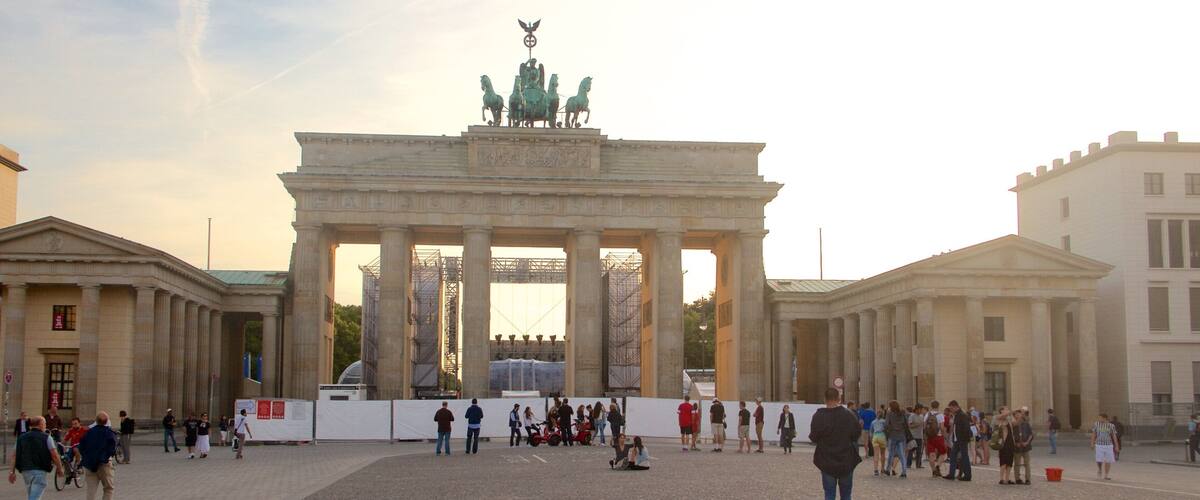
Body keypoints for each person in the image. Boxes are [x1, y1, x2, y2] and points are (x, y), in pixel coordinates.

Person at [810, 388, 861, 500]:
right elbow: (856, 435)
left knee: (829, 494)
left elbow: (813, 437)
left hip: (826, 460)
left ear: (825, 399)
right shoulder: (849, 415)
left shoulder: (818, 416)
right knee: (846, 495)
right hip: (846, 459)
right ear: (839, 399)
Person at [8, 416, 64, 500]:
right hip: (40, 470)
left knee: (32, 495)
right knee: (34, 497)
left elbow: (14, 455)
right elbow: (55, 455)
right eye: (45, 423)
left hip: (25, 470)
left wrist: (12, 472)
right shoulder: (47, 437)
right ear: (40, 424)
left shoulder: (21, 438)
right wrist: (59, 469)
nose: (45, 426)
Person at [78, 412, 117, 500]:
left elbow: (81, 447)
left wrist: (86, 457)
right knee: (108, 488)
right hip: (104, 464)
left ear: (96, 421)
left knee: (91, 490)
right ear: (107, 421)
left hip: (89, 464)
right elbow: (112, 449)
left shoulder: (88, 433)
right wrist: (104, 458)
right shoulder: (109, 433)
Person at [944, 400, 972, 481]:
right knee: (952, 456)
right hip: (957, 440)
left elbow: (966, 428)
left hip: (962, 439)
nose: (950, 410)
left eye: (951, 408)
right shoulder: (957, 415)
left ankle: (968, 475)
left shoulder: (962, 415)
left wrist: (965, 439)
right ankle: (951, 474)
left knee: (964, 457)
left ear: (955, 406)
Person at [884, 400, 908, 478]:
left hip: (892, 435)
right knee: (902, 455)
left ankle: (888, 470)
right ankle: (904, 472)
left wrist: (890, 430)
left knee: (891, 454)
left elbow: (886, 424)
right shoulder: (902, 413)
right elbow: (906, 424)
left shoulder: (889, 414)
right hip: (901, 436)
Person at [1091, 412, 1118, 480]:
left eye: (1100, 418)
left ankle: (1106, 475)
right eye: (1099, 418)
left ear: (1105, 418)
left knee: (1108, 460)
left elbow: (1114, 436)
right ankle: (1100, 469)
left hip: (1108, 445)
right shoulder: (1096, 424)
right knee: (1099, 459)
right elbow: (1094, 434)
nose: (1099, 419)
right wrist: (1092, 443)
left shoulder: (1111, 426)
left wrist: (1116, 445)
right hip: (1099, 444)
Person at [924, 400, 947, 476]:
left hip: (930, 437)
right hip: (938, 436)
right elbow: (942, 427)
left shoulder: (927, 414)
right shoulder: (940, 415)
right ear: (938, 406)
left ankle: (933, 471)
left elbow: (924, 426)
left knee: (931, 454)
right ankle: (938, 466)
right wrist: (944, 436)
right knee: (943, 453)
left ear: (931, 406)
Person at [1012, 408, 1033, 484]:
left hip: (1025, 446)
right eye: (1016, 414)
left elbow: (1030, 434)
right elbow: (1011, 436)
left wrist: (1027, 442)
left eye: (1019, 414)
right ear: (1014, 416)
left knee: (1027, 464)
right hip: (1017, 446)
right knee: (1017, 463)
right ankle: (1017, 478)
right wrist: (1015, 443)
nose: (1018, 415)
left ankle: (1028, 479)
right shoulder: (1013, 424)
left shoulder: (1026, 424)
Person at [996, 410, 1016, 485]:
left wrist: (1012, 416)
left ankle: (1007, 479)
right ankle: (1001, 478)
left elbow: (1015, 423)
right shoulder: (999, 419)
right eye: (1005, 410)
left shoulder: (1009, 420)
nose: (1007, 412)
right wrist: (1011, 411)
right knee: (1003, 461)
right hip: (1004, 443)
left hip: (1010, 443)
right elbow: (1001, 416)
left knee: (1009, 462)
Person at [869, 405, 887, 476]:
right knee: (883, 454)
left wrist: (871, 439)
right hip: (882, 436)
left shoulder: (873, 422)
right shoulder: (884, 421)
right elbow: (886, 430)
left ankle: (875, 470)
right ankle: (882, 469)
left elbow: (871, 432)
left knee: (876, 454)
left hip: (875, 436)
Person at [907, 404, 924, 469]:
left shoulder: (922, 416)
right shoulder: (912, 416)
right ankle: (908, 464)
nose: (921, 411)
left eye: (922, 409)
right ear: (917, 409)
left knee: (919, 451)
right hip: (913, 436)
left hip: (920, 436)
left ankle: (918, 464)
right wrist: (918, 424)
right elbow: (910, 426)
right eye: (920, 409)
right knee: (911, 450)